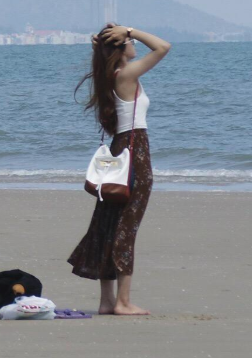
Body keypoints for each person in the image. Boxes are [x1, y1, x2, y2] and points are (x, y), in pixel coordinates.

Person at [67, 23, 170, 315]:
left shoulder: (108, 75)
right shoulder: (125, 74)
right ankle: (123, 302)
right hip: (135, 152)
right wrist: (132, 30)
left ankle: (107, 301)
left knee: (108, 225)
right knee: (126, 228)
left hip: (119, 148)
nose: (132, 42)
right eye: (127, 40)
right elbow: (163, 47)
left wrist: (109, 42)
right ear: (120, 46)